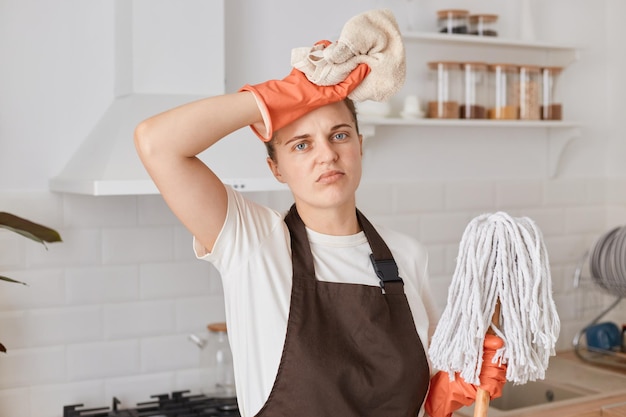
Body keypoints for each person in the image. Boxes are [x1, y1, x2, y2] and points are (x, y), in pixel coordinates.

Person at [134, 48, 506, 417]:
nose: (326, 155)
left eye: (339, 135)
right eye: (301, 144)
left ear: (360, 146)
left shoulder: (406, 255)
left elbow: (424, 392)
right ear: (276, 168)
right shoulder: (253, 243)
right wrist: (284, 96)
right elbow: (157, 143)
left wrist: (447, 392)